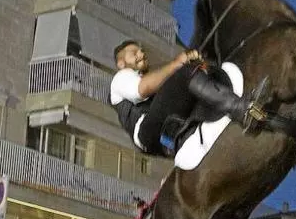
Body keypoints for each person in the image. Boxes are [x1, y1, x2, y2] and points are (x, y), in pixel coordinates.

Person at [110, 41, 265, 157]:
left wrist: (201, 68)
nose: (141, 54)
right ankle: (242, 110)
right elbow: (141, 90)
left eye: (142, 51)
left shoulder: (154, 79)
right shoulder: (120, 78)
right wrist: (177, 64)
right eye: (134, 53)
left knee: (196, 79)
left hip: (169, 132)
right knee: (185, 74)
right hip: (148, 133)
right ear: (121, 63)